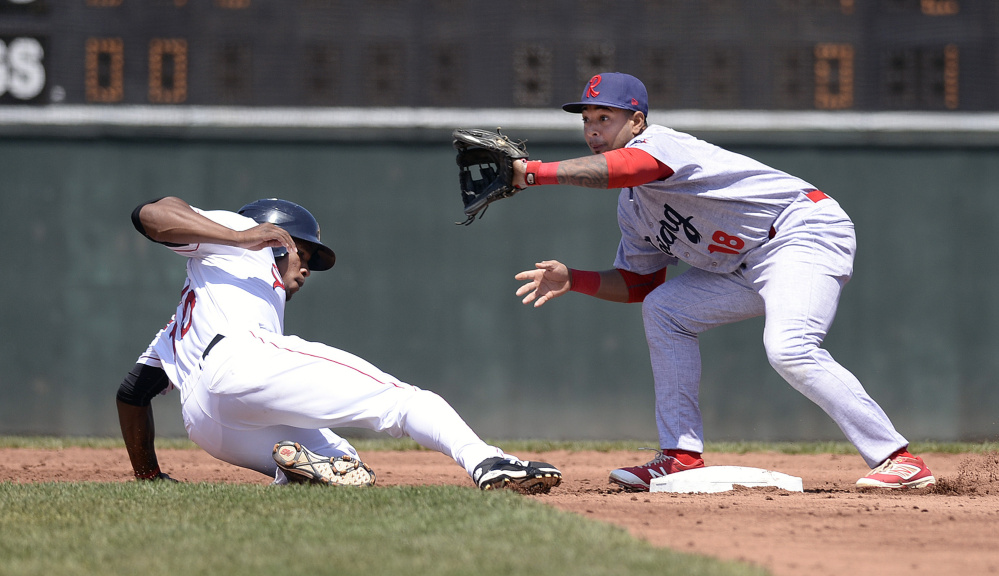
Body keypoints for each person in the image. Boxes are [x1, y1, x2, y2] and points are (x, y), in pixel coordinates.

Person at [509, 72, 934, 491]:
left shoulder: (658, 144)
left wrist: (532, 172)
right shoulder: (633, 206)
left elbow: (626, 167)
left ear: (637, 121)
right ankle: (680, 457)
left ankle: (899, 459)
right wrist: (574, 279)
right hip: (742, 264)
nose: (593, 129)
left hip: (798, 232)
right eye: (586, 119)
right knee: (665, 309)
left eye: (605, 117)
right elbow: (640, 283)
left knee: (790, 349)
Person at [116, 196, 562, 494]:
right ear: (276, 238)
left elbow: (132, 393)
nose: (306, 268)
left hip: (208, 425)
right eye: (302, 253)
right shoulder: (240, 238)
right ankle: (487, 460)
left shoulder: (186, 317)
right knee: (399, 401)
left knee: (345, 466)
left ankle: (292, 476)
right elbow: (150, 213)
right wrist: (240, 235)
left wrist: (148, 476)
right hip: (238, 360)